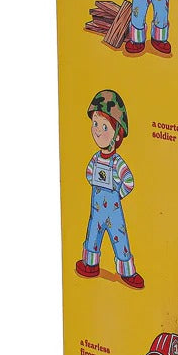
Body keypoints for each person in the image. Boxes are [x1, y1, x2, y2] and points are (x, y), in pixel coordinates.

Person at [75, 90, 144, 289]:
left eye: (104, 127)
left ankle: (127, 272)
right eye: (95, 124)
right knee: (92, 235)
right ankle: (90, 264)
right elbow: (89, 173)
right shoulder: (95, 158)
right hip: (96, 210)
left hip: (113, 211)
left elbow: (129, 181)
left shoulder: (117, 162)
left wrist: (117, 196)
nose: (97, 131)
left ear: (117, 134)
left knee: (120, 239)